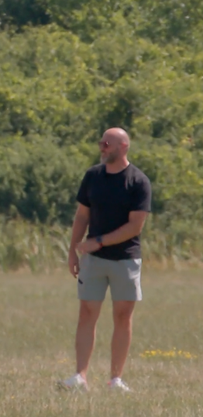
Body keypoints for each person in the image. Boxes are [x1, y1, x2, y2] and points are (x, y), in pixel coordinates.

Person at [59, 128, 152, 392]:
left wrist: (97, 242)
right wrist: (72, 251)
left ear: (123, 147)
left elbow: (135, 227)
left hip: (126, 260)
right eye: (101, 143)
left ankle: (115, 379)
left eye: (107, 143)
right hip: (92, 260)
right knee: (87, 314)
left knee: (123, 317)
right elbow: (81, 216)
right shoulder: (92, 176)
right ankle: (79, 377)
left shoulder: (138, 182)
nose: (102, 147)